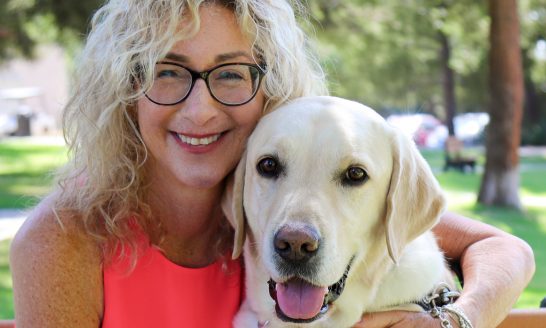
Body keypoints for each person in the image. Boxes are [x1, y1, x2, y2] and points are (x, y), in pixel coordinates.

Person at [9, 0, 534, 327]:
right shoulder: (64, 241)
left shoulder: (292, 190)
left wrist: (454, 323)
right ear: (127, 89)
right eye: (167, 72)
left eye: (232, 74)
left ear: (270, 90)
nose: (200, 108)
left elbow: (503, 247)